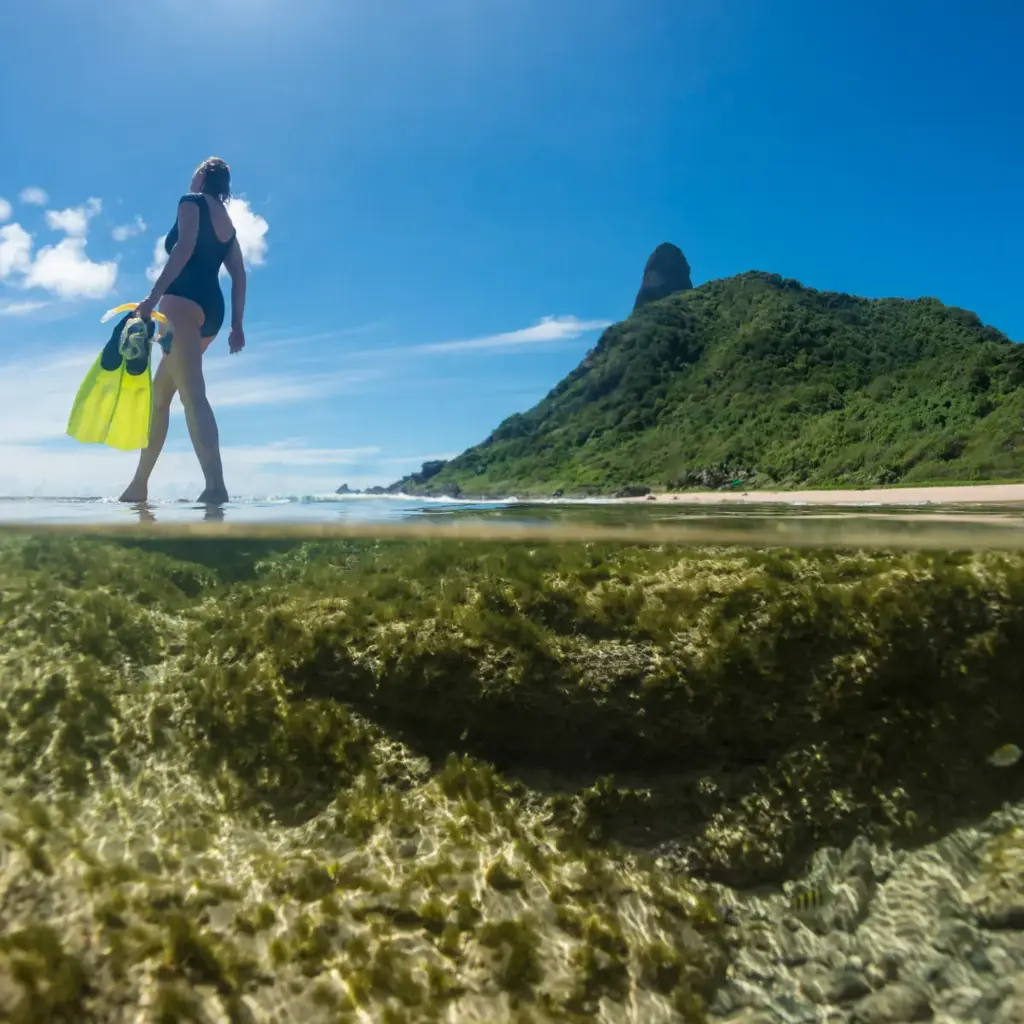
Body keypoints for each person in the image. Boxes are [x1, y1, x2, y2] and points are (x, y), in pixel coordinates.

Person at [119, 157, 246, 505]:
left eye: (195, 170)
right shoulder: (228, 224)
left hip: (182, 303)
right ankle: (138, 486)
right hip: (212, 311)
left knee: (193, 394)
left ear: (203, 175)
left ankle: (216, 487)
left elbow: (184, 247)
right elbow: (239, 275)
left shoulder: (189, 202)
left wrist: (151, 298)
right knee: (160, 400)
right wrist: (236, 325)